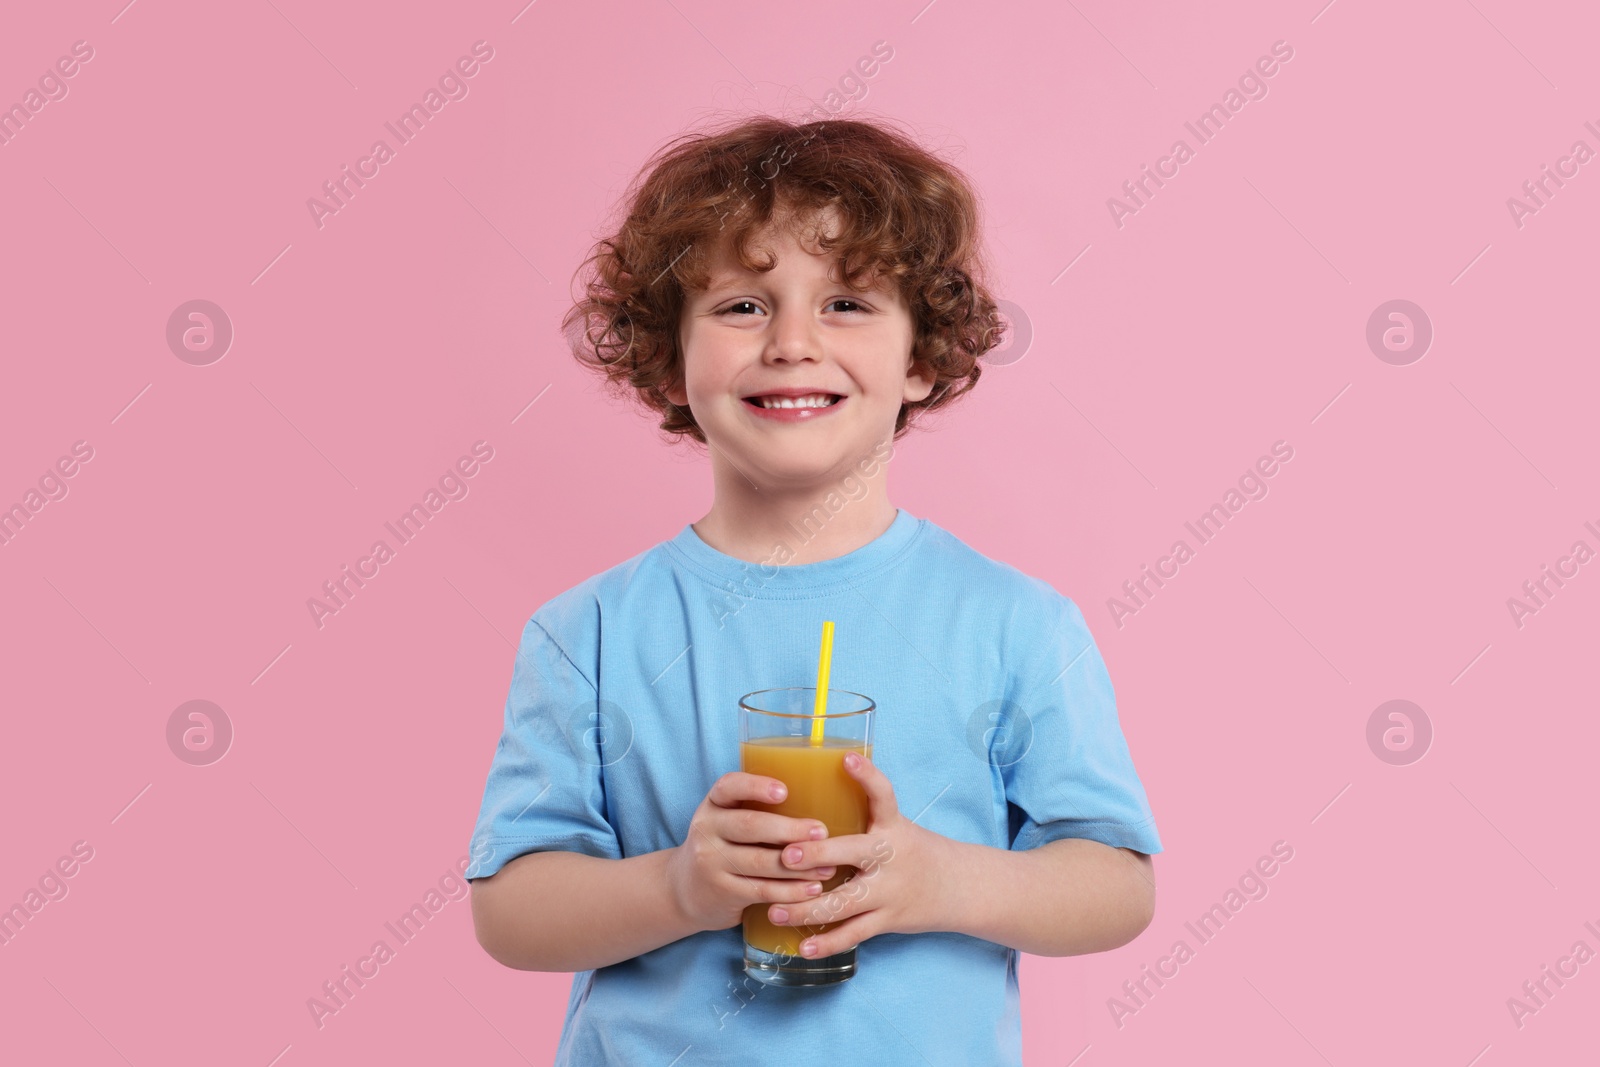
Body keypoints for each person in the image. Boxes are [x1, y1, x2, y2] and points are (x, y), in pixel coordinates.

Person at [465, 113, 1162, 1066]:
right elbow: (511, 910)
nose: (793, 342)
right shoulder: (585, 632)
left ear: (921, 359)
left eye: (848, 304)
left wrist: (940, 882)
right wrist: (682, 888)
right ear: (670, 357)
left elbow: (1117, 884)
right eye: (744, 306)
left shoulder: (1016, 624)